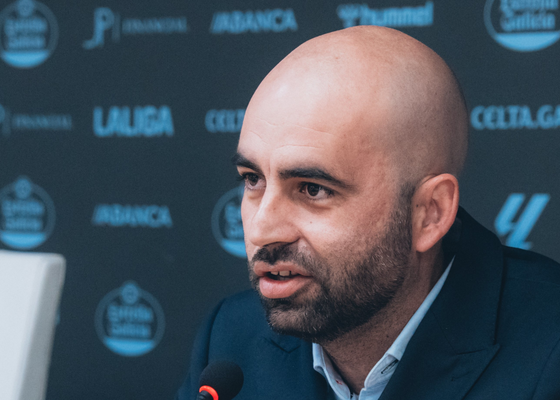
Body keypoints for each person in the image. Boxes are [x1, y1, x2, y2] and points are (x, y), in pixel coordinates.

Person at [176, 26, 560, 400]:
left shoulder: (549, 355)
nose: (262, 230)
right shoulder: (230, 336)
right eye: (253, 179)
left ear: (429, 213)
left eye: (313, 189)